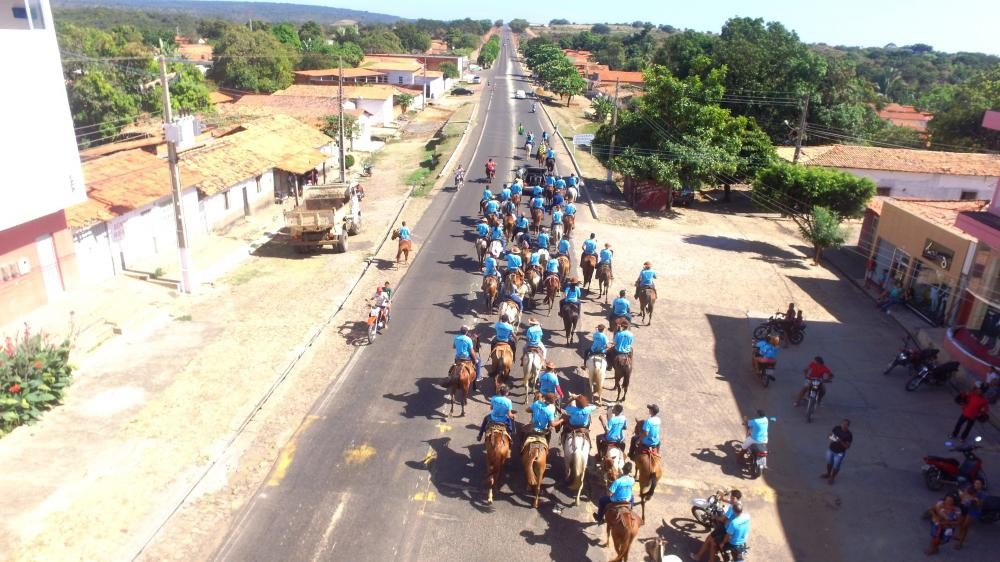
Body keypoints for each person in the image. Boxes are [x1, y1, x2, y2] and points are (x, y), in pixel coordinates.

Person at [692, 490, 744, 562]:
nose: (731, 498)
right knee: (713, 543)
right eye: (731, 497)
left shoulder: (732, 508)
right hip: (730, 527)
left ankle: (698, 556)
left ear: (737, 498)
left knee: (709, 539)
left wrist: (714, 516)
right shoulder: (737, 503)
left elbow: (723, 519)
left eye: (733, 498)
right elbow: (724, 500)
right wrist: (722, 494)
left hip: (726, 527)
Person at [821, 419, 853, 485]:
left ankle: (832, 477)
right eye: (842, 424)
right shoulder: (836, 428)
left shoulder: (849, 435)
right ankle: (828, 474)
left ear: (848, 426)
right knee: (829, 463)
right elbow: (830, 435)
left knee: (836, 466)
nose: (843, 425)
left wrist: (840, 441)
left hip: (839, 453)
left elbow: (847, 447)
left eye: (845, 424)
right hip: (831, 449)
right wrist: (831, 438)